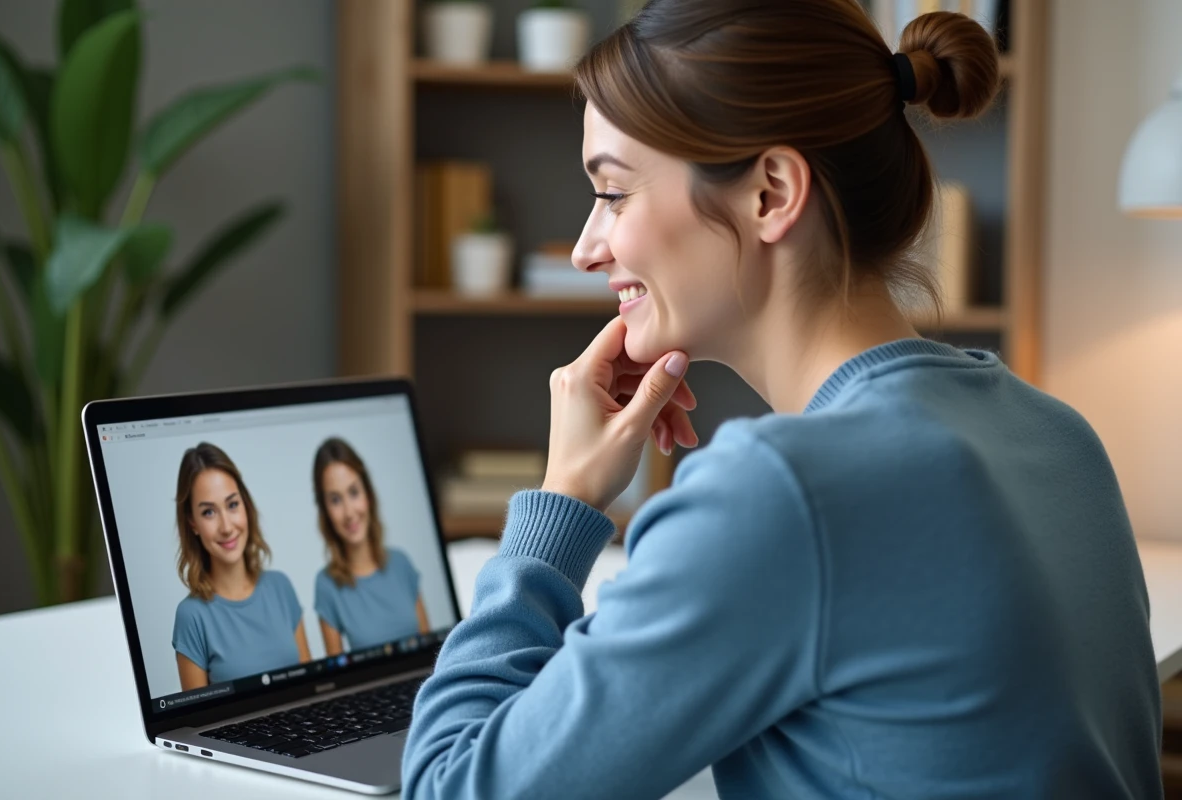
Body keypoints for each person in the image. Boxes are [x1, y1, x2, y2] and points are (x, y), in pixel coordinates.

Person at [401, 2, 1164, 799]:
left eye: (615, 194)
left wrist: (560, 505)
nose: (590, 248)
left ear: (770, 193)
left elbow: (450, 788)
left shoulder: (782, 495)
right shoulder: (1058, 437)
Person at [171, 442, 311, 690]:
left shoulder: (280, 587)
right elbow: (199, 721)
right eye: (209, 513)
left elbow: (311, 689)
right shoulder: (191, 616)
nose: (226, 527)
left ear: (245, 506)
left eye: (232, 505)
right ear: (193, 523)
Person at [312, 437, 430, 656]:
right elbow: (337, 675)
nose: (349, 513)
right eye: (335, 500)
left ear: (368, 494)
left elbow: (432, 655)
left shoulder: (401, 563)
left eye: (354, 492)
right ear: (325, 510)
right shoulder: (326, 585)